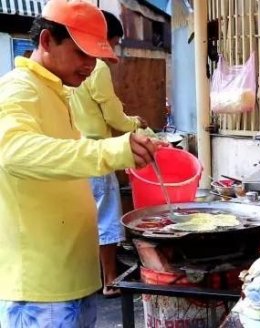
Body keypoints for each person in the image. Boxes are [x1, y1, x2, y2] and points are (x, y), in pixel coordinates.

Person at [0, 0, 160, 326]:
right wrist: (111, 151)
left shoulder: (57, 91)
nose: (90, 66)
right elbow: (13, 151)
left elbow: (62, 153)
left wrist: (124, 148)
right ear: (46, 41)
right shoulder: (19, 89)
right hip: (41, 289)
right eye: (81, 54)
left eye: (95, 57)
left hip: (69, 279)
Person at [69, 10, 146, 298]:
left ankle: (91, 278)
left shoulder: (66, 70)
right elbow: (113, 115)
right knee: (107, 220)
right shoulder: (96, 66)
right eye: (113, 42)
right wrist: (136, 124)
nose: (111, 50)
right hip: (97, 154)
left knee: (87, 220)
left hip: (75, 152)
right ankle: (111, 281)